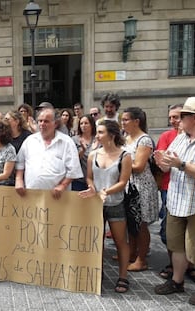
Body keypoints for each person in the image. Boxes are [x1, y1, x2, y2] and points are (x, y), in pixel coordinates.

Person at [79, 120, 132, 293]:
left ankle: (123, 277)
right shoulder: (93, 154)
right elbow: (89, 177)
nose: (97, 135)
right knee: (96, 241)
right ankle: (97, 273)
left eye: (100, 132)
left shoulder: (125, 155)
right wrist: (92, 187)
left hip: (115, 203)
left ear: (112, 134)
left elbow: (123, 182)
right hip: (96, 204)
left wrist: (106, 192)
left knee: (120, 242)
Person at [153, 97, 195, 306]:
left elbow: (184, 166)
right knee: (176, 244)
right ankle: (177, 281)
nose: (179, 121)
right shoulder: (180, 138)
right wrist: (161, 161)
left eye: (183, 117)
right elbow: (168, 166)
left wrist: (180, 164)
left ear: (194, 119)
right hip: (176, 200)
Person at [15, 108, 83, 198]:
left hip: (57, 198)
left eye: (46, 121)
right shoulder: (29, 141)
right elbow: (20, 163)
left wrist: (63, 185)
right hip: (31, 197)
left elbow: (73, 169)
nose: (42, 124)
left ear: (55, 123)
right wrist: (18, 180)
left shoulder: (66, 142)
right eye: (40, 121)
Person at [122, 107, 159, 271]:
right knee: (131, 222)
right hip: (129, 185)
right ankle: (131, 252)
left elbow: (138, 166)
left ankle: (141, 259)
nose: (122, 123)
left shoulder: (144, 140)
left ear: (136, 121)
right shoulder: (126, 137)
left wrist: (119, 164)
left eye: (125, 120)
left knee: (142, 224)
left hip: (142, 187)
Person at [156, 104, 186, 279]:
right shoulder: (168, 136)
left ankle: (188, 266)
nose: (173, 121)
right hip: (169, 188)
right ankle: (174, 264)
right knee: (168, 231)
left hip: (190, 191)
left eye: (176, 117)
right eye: (171, 117)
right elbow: (163, 165)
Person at [72, 114, 99, 191]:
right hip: (79, 180)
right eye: (81, 123)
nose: (83, 125)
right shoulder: (74, 140)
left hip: (96, 179)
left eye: (86, 123)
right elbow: (73, 160)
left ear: (92, 125)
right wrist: (82, 151)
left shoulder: (98, 139)